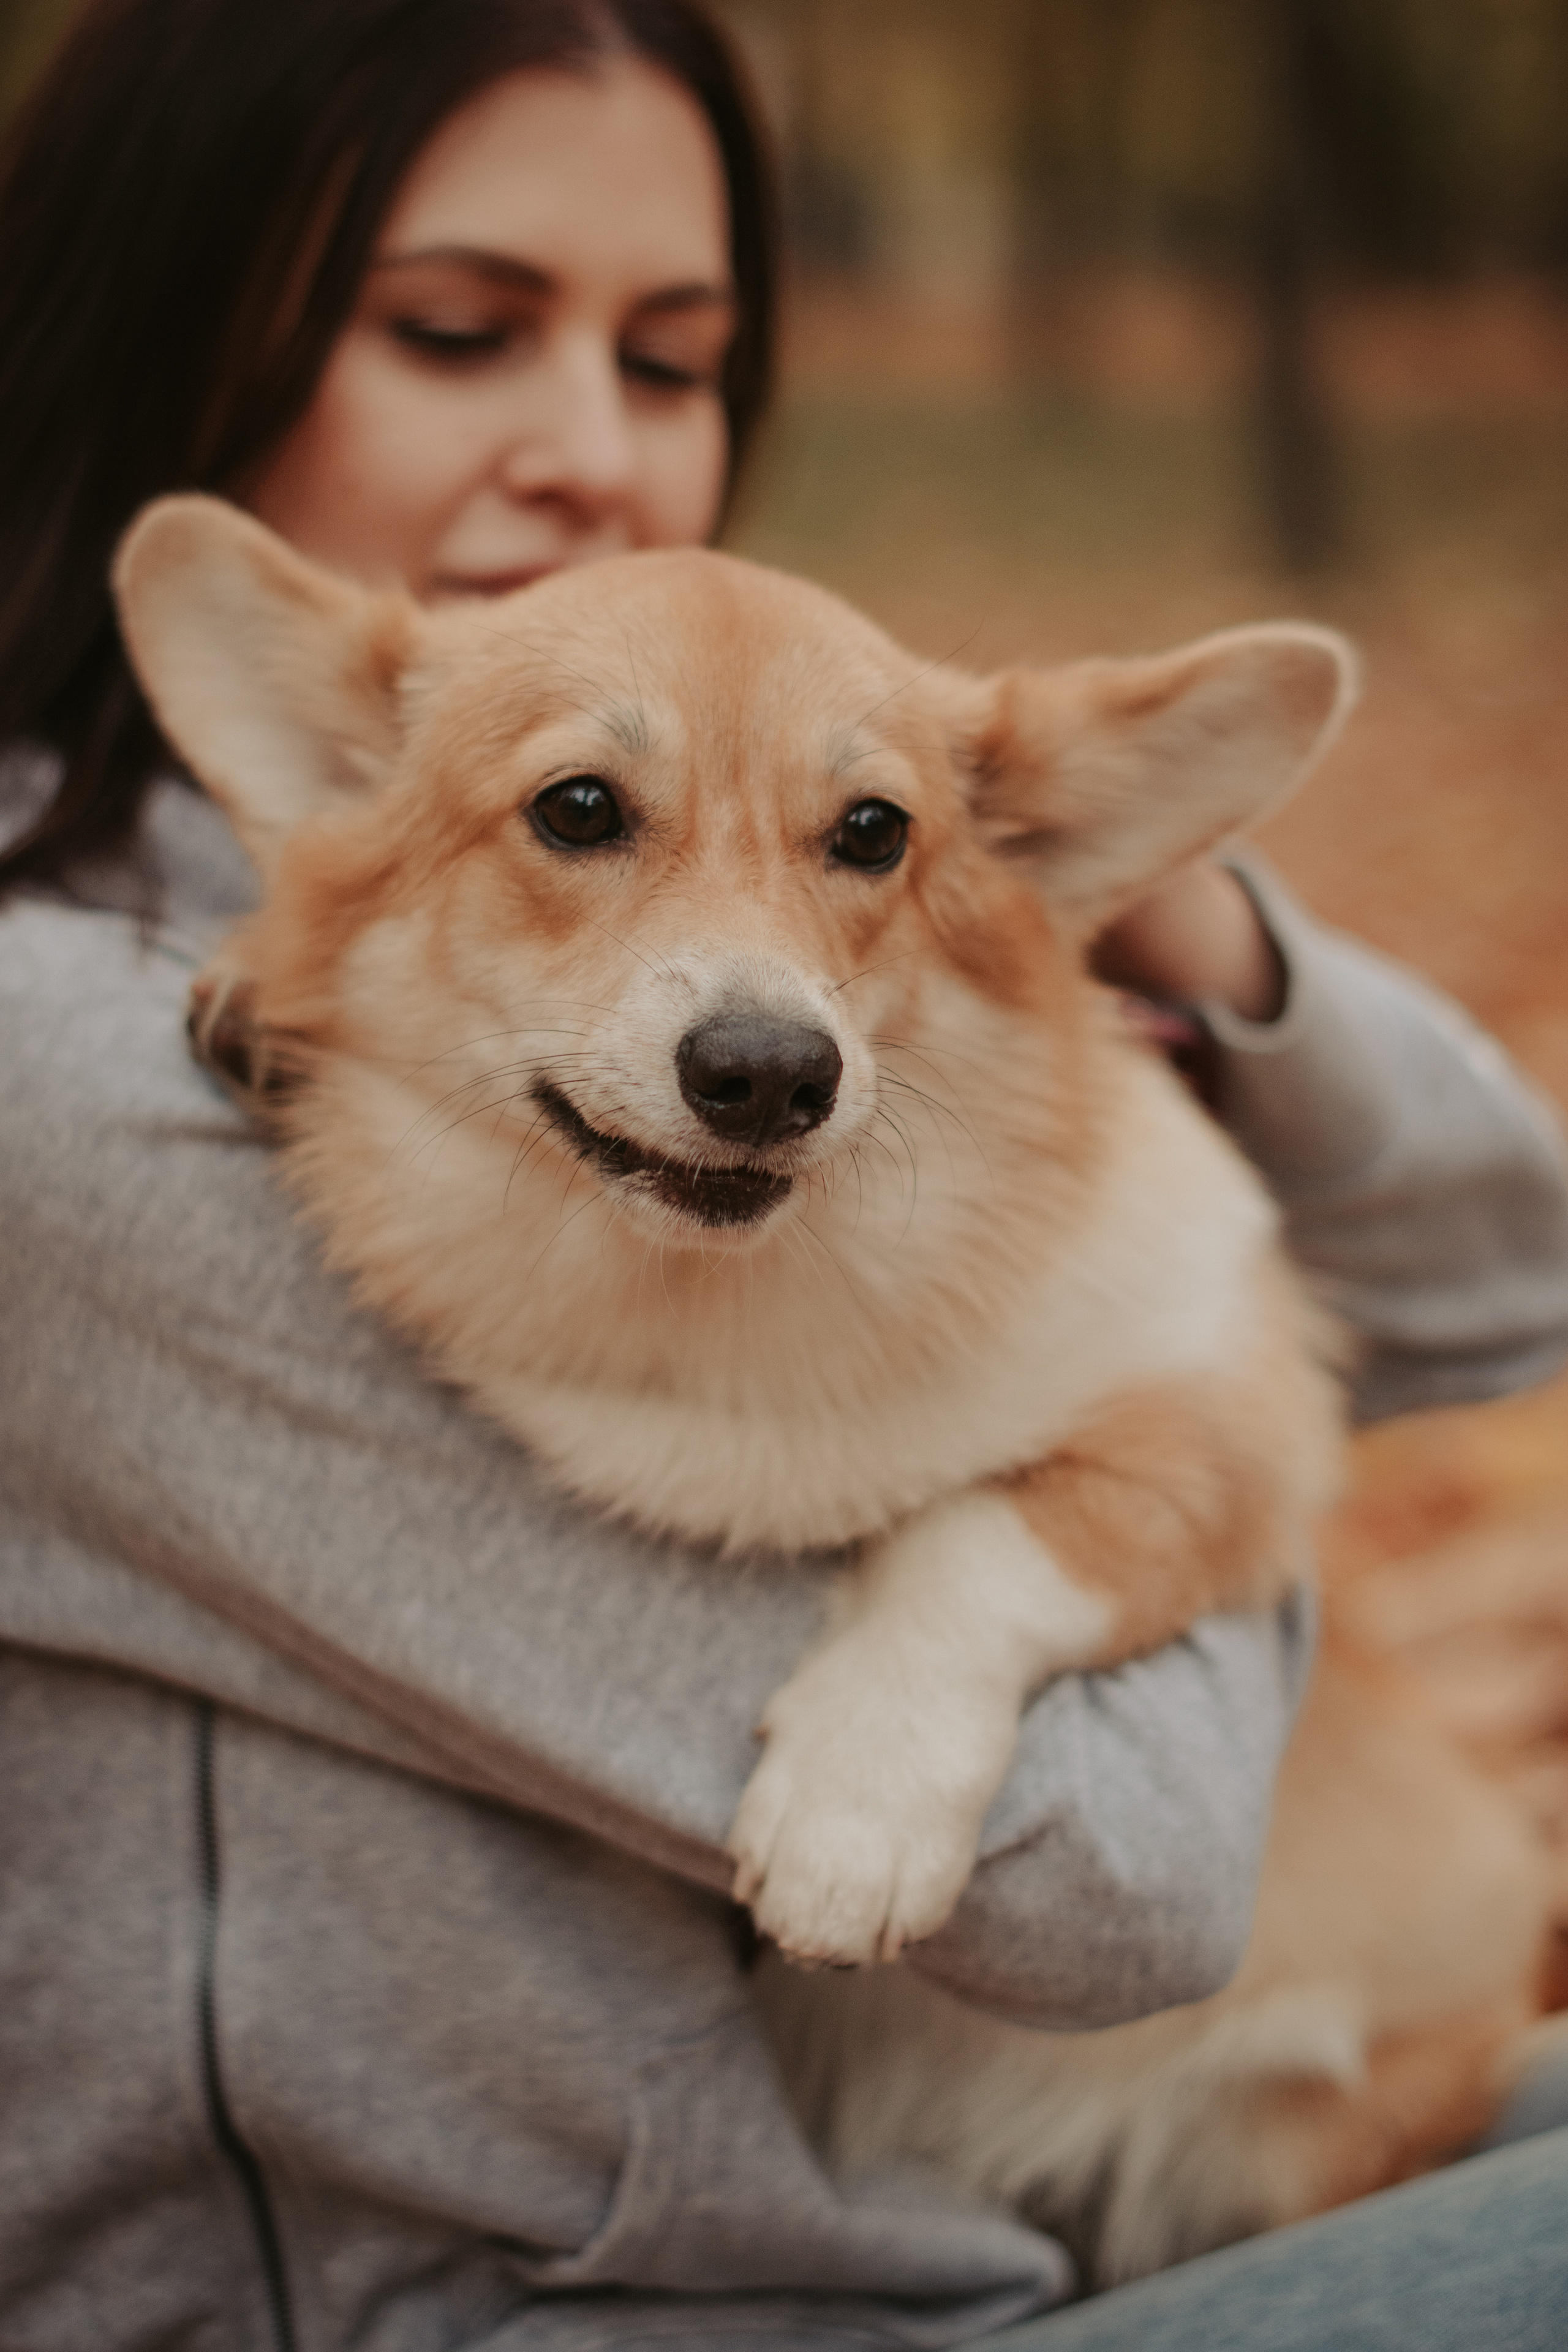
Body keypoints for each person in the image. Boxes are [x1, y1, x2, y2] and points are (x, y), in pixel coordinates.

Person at [1, 2, 1566, 2345]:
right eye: (458, 330)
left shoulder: (747, 920)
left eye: (676, 356)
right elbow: (1109, 1886)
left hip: (946, 2231)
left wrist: (1114, 892)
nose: (595, 457)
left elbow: (1500, 1272)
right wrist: (1201, 1447)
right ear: (168, 295)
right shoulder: (94, 1085)